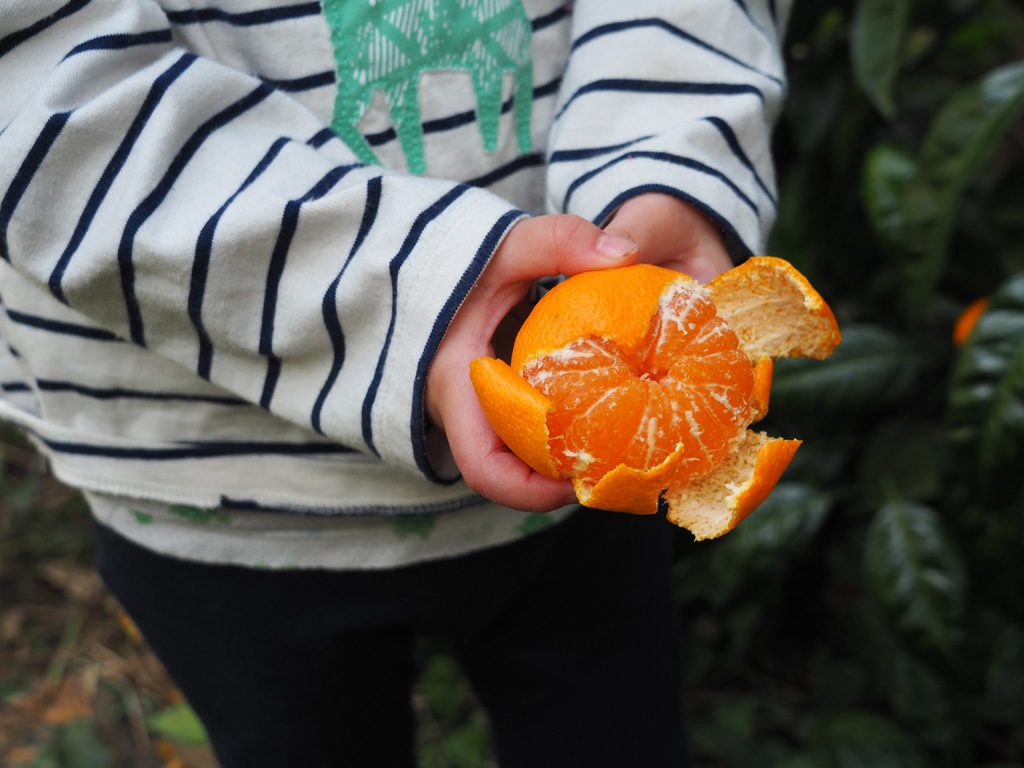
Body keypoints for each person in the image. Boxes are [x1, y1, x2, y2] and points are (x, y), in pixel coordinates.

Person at [0, 1, 789, 765]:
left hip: (586, 454)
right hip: (222, 487)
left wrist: (664, 162)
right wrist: (402, 287)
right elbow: (33, 78)